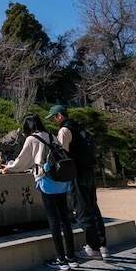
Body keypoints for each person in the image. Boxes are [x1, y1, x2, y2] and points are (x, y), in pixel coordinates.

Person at [2, 114, 79, 270]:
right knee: (65, 218)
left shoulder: (32, 139)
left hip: (46, 180)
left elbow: (22, 161)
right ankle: (72, 258)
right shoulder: (51, 136)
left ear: (28, 127)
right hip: (61, 180)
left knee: (53, 219)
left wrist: (9, 168)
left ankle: (61, 260)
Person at [46, 104, 110, 260]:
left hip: (77, 173)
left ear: (60, 116)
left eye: (54, 117)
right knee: (93, 207)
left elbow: (63, 154)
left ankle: (93, 248)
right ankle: (102, 245)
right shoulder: (80, 129)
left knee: (81, 209)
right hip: (89, 171)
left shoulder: (64, 130)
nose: (54, 121)